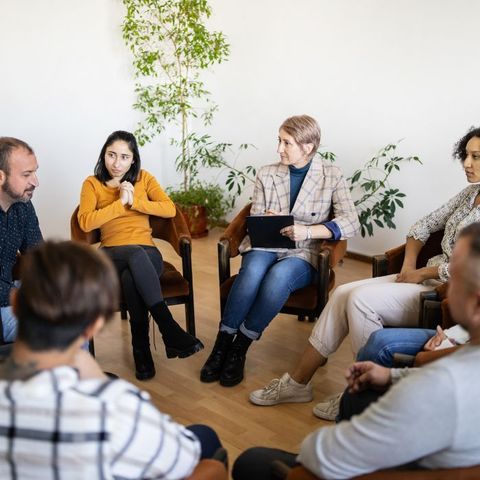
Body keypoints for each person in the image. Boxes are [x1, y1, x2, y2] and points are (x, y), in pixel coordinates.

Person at [250, 126, 480, 419]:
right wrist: (409, 264)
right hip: (422, 275)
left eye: (476, 157)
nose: (467, 163)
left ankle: (358, 393)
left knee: (359, 301)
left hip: (447, 289)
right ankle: (298, 383)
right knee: (343, 294)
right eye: (466, 155)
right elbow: (421, 226)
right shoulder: (469, 193)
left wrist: (424, 273)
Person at [233, 222, 480, 479]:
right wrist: (393, 375)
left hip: (376, 464)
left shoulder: (438, 384)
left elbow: (321, 456)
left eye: (455, 273)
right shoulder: (463, 360)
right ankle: (298, 383)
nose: (447, 284)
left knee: (251, 462)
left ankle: (339, 397)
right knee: (342, 294)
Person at [0, 240, 224, 479]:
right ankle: (160, 334)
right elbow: (189, 462)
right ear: (96, 322)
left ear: (15, 305)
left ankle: (147, 346)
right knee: (206, 437)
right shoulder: (118, 408)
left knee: (131, 275)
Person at [200, 115, 359, 387]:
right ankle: (222, 343)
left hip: (304, 250)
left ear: (307, 146)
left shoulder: (332, 175)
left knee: (277, 279)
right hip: (267, 242)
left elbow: (351, 221)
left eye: (286, 143)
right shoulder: (266, 173)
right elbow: (258, 215)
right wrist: (273, 219)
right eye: (279, 140)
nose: (279, 149)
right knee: (250, 274)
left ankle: (240, 347)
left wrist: (308, 231)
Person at [78, 130, 203, 381]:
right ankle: (169, 329)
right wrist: (119, 203)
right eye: (111, 155)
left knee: (131, 278)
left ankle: (141, 351)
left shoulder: (144, 179)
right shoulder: (92, 183)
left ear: (133, 159)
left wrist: (135, 201)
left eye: (124, 157)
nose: (116, 163)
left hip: (147, 253)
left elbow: (168, 209)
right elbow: (85, 223)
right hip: (110, 254)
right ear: (103, 155)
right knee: (133, 256)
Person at [0, 137, 42, 346]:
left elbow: (39, 255)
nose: (35, 181)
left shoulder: (23, 205)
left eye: (35, 172)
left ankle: (78, 375)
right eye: (26, 174)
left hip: (9, 290)